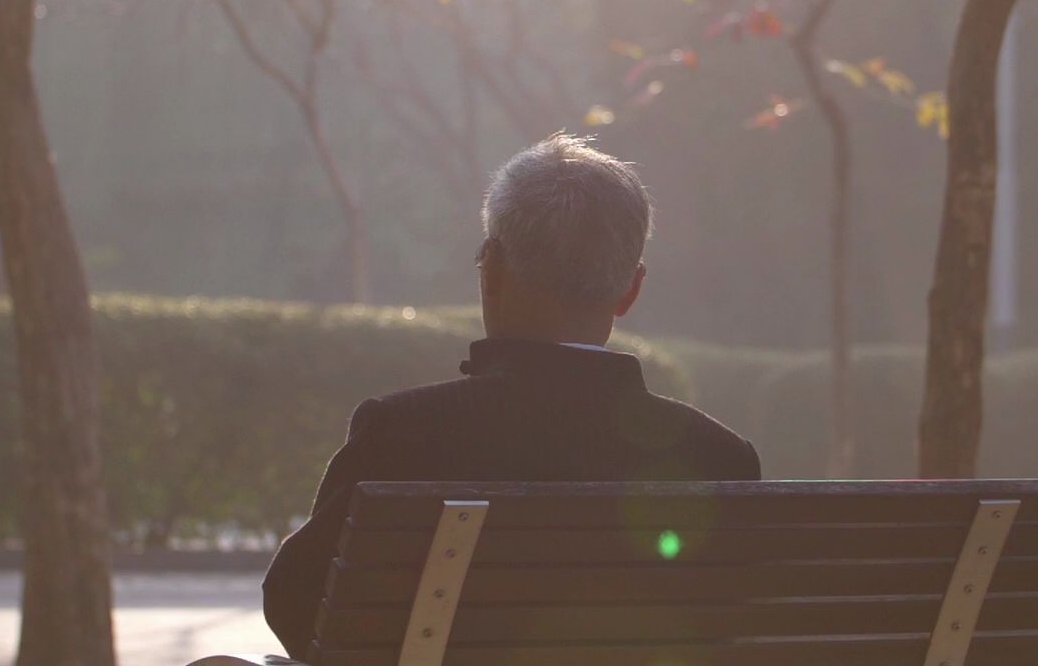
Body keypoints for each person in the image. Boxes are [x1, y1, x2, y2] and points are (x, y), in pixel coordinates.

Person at [262, 134, 762, 658]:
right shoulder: (720, 459)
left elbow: (298, 609)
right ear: (630, 291)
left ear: (491, 269)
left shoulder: (404, 431)